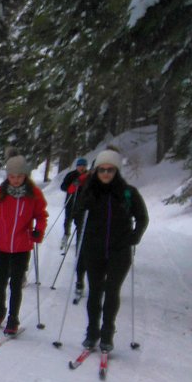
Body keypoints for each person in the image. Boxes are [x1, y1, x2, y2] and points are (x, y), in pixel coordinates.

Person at [71, 148, 148, 352]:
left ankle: (107, 334)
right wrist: (82, 212)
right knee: (95, 292)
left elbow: (142, 218)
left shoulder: (127, 193)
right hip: (94, 250)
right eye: (102, 169)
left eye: (110, 170)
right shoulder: (89, 191)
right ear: (96, 170)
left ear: (116, 171)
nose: (105, 173)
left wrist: (134, 236)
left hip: (119, 251)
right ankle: (92, 332)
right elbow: (77, 216)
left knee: (112, 291)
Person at [0, 155, 49, 335]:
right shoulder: (0, 192)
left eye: (19, 176)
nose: (15, 180)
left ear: (25, 176)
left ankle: (13, 318)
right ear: (7, 176)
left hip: (22, 247)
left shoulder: (34, 194)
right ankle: (0, 312)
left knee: (15, 284)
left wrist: (38, 231)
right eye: (12, 176)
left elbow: (41, 216)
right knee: (0, 282)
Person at [59, 157, 91, 296]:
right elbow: (63, 187)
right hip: (70, 203)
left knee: (81, 229)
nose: (81, 168)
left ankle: (79, 249)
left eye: (83, 166)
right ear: (77, 166)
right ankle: (66, 234)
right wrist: (72, 185)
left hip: (82, 207)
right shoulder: (71, 175)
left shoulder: (89, 176)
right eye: (80, 166)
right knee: (67, 221)